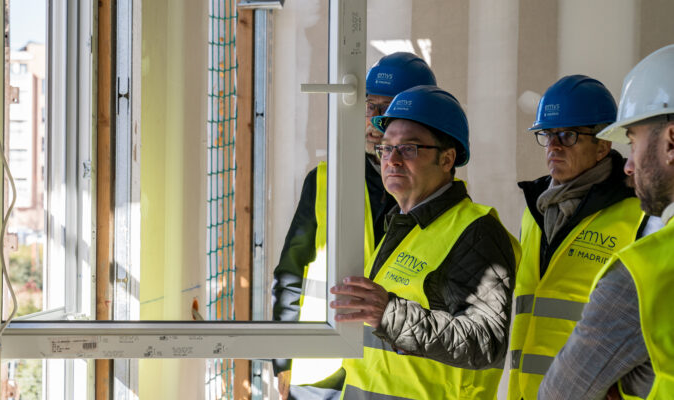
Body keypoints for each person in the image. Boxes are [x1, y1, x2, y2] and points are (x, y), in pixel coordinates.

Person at [329, 85, 520, 399]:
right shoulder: (404, 225)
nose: (392, 160)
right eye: (386, 148)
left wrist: (388, 313)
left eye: (409, 149)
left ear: (447, 159)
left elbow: (486, 341)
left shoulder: (477, 232)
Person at [271, 52, 437, 400]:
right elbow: (291, 272)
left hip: (391, 374)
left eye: (387, 110)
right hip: (321, 369)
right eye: (368, 107)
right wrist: (281, 357)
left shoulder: (438, 199)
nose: (373, 121)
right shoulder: (325, 181)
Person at [539, 44, 674, 400]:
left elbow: (561, 394)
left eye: (632, 144)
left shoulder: (647, 272)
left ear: (671, 141)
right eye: (547, 135)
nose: (628, 165)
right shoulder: (532, 213)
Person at [507, 75, 647, 400]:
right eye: (546, 134)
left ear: (603, 145)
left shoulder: (637, 212)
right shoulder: (534, 209)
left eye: (567, 135)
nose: (553, 146)